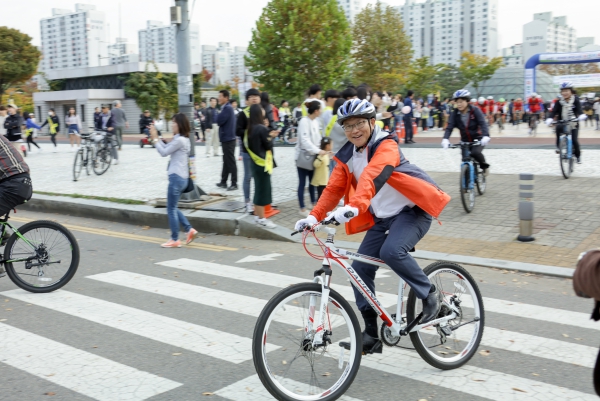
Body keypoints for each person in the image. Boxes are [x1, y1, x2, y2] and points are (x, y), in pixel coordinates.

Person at [294, 99, 451, 353]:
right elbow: (333, 188)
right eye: (348, 126)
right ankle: (371, 334)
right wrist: (313, 217)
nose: (354, 130)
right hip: (383, 218)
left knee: (392, 252)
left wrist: (354, 206)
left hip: (412, 213)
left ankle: (430, 293)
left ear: (371, 122)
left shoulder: (386, 145)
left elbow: (373, 175)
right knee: (360, 271)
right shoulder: (347, 154)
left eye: (359, 124)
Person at [149, 113, 198, 248]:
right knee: (173, 206)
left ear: (180, 124)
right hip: (182, 178)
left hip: (176, 178)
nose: (172, 125)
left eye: (174, 122)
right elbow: (166, 148)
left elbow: (163, 153)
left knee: (170, 208)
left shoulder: (180, 140)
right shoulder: (182, 139)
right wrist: (157, 138)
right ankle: (189, 229)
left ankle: (175, 239)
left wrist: (154, 139)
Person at [442, 90, 491, 175]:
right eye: (457, 102)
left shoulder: (475, 110)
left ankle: (484, 167)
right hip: (465, 140)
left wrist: (485, 136)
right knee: (465, 159)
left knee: (475, 153)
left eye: (461, 102)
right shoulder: (455, 113)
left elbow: (483, 123)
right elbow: (450, 127)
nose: (459, 104)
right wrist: (445, 139)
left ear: (467, 101)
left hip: (478, 139)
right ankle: (465, 184)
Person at [246, 103, 278, 228]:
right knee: (262, 191)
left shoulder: (249, 128)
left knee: (258, 190)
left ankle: (258, 216)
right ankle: (262, 218)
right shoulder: (261, 128)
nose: (264, 111)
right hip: (263, 164)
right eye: (262, 109)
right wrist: (271, 136)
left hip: (255, 163)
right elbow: (268, 145)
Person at [296, 100, 326, 216]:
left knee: (313, 182)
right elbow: (304, 141)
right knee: (302, 182)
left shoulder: (315, 121)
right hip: (304, 157)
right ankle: (302, 208)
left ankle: (313, 204)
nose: (321, 111)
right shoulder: (304, 121)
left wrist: (322, 150)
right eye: (320, 109)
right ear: (316, 111)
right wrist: (318, 150)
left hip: (313, 156)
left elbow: (317, 139)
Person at [237, 88, 262, 213]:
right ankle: (247, 202)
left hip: (260, 152)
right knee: (248, 177)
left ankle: (259, 203)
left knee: (259, 177)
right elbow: (237, 131)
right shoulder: (243, 114)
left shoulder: (261, 113)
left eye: (256, 96)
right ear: (247, 101)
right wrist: (250, 130)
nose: (254, 98)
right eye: (251, 96)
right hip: (247, 152)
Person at [550, 82, 585, 164]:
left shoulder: (575, 100)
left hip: (573, 123)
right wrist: (549, 118)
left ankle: (578, 155)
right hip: (562, 121)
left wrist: (581, 115)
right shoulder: (558, 102)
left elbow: (579, 110)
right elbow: (554, 111)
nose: (564, 93)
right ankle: (559, 147)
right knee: (558, 128)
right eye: (563, 91)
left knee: (574, 140)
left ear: (571, 91)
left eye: (566, 91)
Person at [216, 90, 238, 191]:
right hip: (227, 138)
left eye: (220, 96)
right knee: (226, 160)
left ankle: (234, 183)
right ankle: (223, 181)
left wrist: (218, 115)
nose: (218, 98)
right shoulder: (226, 108)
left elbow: (219, 121)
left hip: (228, 138)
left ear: (226, 98)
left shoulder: (227, 108)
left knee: (230, 161)